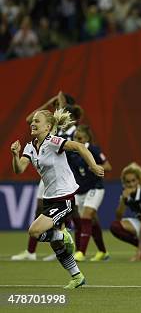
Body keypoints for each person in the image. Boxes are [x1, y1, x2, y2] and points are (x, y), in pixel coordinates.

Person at [11, 108, 104, 289]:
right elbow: (19, 169)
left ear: (48, 127)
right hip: (49, 198)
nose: (33, 123)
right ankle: (77, 277)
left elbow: (78, 146)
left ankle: (63, 235)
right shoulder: (30, 147)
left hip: (65, 197)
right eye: (33, 121)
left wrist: (92, 165)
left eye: (37, 121)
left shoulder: (53, 141)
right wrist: (15, 155)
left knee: (34, 231)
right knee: (56, 244)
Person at [11, 92, 80, 261]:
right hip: (47, 173)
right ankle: (33, 250)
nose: (56, 103)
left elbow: (76, 147)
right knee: (42, 211)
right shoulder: (42, 124)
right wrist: (47, 103)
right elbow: (30, 120)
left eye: (59, 101)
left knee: (70, 212)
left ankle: (68, 241)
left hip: (62, 173)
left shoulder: (68, 126)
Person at [71, 125, 112, 261]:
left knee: (86, 217)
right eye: (75, 138)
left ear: (87, 138)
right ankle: (103, 252)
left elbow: (108, 166)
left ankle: (81, 252)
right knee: (90, 221)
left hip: (95, 188)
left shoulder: (93, 150)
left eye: (79, 138)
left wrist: (94, 167)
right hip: (80, 190)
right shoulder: (71, 152)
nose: (76, 140)